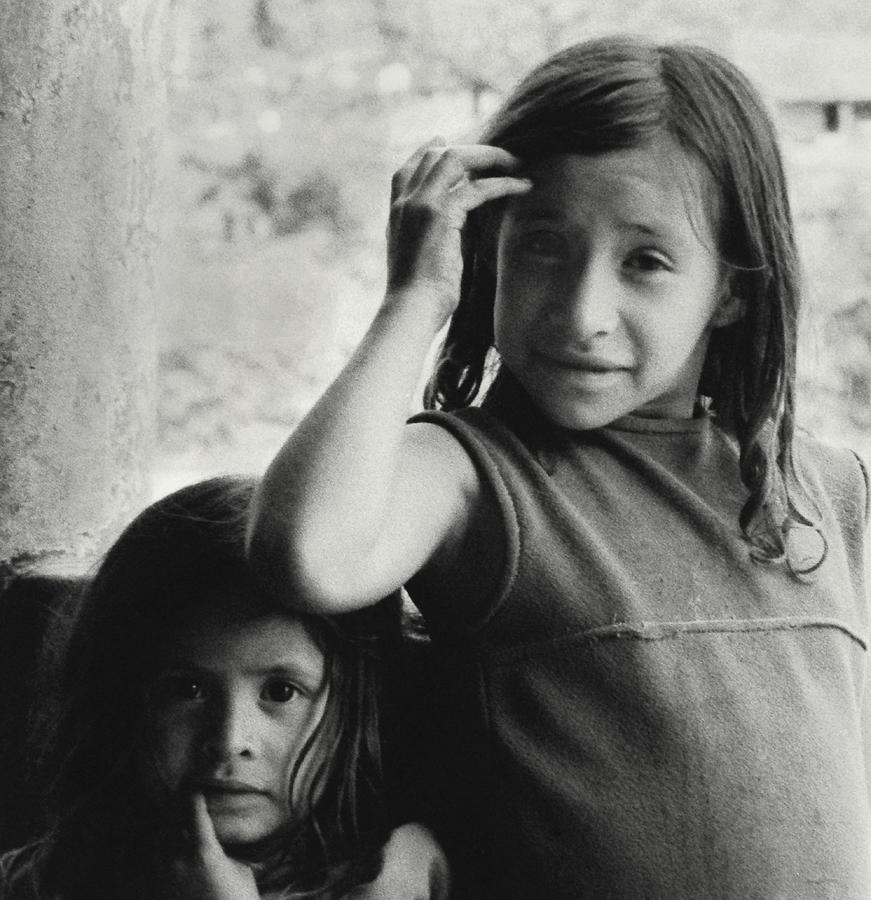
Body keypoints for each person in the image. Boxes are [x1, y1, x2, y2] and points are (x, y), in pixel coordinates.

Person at [246, 35, 871, 898]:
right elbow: (309, 552)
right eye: (541, 246)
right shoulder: (476, 478)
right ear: (486, 253)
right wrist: (414, 297)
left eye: (644, 262)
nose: (582, 314)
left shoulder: (826, 494)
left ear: (730, 288)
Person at [0, 476, 449, 900]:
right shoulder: (49, 879)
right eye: (187, 689)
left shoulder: (390, 879)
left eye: (280, 692)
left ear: (356, 705)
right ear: (120, 697)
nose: (229, 741)